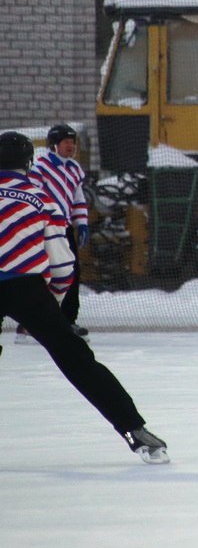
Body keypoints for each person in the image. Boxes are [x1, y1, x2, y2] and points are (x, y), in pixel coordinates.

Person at [0, 131, 168, 463]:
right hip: (27, 288)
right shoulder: (42, 199)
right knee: (77, 360)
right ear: (28, 163)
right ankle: (135, 431)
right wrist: (52, 304)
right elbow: (63, 265)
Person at [27, 123, 90, 340]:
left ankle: (68, 321)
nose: (71, 146)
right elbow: (32, 196)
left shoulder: (74, 169)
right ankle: (32, 323)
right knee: (44, 275)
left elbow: (78, 198)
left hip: (65, 229)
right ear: (54, 144)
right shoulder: (40, 167)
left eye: (73, 142)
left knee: (72, 272)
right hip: (45, 229)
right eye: (66, 142)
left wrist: (82, 223)